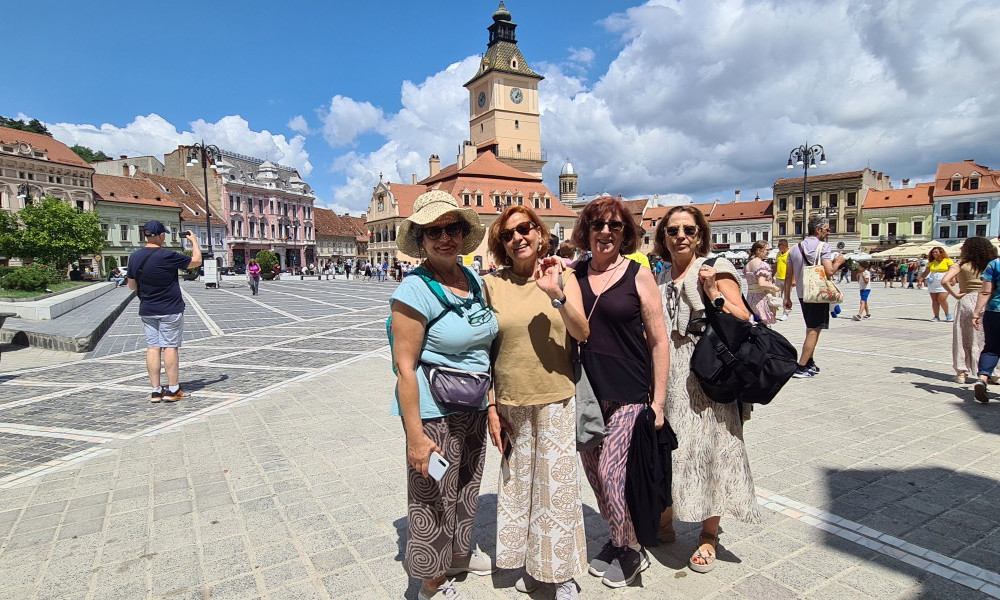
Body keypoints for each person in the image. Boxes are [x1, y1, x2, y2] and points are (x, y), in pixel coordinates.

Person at [389, 190, 498, 600]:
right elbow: (405, 367)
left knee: (467, 485)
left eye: (452, 228)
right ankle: (430, 581)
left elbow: (485, 347)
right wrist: (415, 436)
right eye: (432, 231)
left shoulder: (471, 280)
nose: (444, 237)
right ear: (420, 240)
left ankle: (458, 555)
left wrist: (490, 404)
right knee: (433, 494)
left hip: (471, 405)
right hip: (433, 411)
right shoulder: (414, 290)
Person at [484, 206, 589, 599]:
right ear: (502, 247)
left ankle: (559, 572)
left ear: (540, 234)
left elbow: (583, 332)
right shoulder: (491, 286)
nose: (518, 238)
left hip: (556, 399)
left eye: (525, 229)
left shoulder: (564, 277)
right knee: (517, 487)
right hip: (511, 401)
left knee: (556, 490)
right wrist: (492, 408)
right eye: (508, 236)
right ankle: (525, 561)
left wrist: (556, 293)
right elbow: (485, 353)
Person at [654, 205, 760, 574]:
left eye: (688, 229)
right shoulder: (663, 275)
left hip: (708, 376)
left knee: (713, 450)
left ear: (700, 234)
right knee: (671, 450)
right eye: (672, 230)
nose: (680, 236)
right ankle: (666, 520)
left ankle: (708, 535)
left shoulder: (716, 268)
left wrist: (712, 289)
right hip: (671, 375)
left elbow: (744, 316)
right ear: (663, 236)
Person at [571, 197, 669, 588]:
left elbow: (660, 341)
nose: (605, 232)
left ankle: (632, 550)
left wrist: (658, 401)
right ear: (586, 231)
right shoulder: (575, 274)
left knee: (613, 477)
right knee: (595, 478)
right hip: (589, 396)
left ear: (625, 232)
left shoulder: (637, 274)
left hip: (629, 391)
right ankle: (617, 537)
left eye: (614, 225)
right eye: (597, 225)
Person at [127, 221, 201, 403]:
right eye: (164, 235)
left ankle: (155, 390)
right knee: (169, 346)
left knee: (153, 347)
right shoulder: (167, 255)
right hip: (169, 308)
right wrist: (194, 242)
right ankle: (173, 389)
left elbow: (131, 286)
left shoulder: (134, 256)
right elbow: (196, 262)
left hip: (147, 309)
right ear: (160, 236)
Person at [784, 216, 845, 379]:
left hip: (803, 294)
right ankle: (801, 366)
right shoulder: (823, 246)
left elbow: (788, 276)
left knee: (811, 327)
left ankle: (809, 362)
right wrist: (838, 262)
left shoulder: (795, 248)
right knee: (813, 330)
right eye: (827, 229)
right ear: (818, 230)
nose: (829, 232)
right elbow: (829, 271)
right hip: (818, 293)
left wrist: (787, 297)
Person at [942, 237, 997, 384]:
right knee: (990, 339)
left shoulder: (961, 264)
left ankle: (961, 372)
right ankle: (994, 373)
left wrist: (954, 294)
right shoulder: (992, 264)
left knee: (962, 337)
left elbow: (945, 281)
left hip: (967, 300)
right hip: (988, 301)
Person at [972, 250, 1000, 403]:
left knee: (991, 348)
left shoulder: (994, 264)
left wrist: (976, 313)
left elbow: (985, 291)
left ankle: (982, 379)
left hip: (995, 311)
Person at [744, 240, 780, 325]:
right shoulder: (762, 264)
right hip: (760, 298)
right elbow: (762, 283)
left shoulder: (748, 264)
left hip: (750, 298)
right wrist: (774, 287)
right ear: (758, 250)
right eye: (767, 250)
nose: (769, 252)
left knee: (753, 322)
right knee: (762, 324)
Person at [919, 247, 955, 322]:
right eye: (933, 252)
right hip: (933, 282)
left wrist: (953, 279)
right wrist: (921, 280)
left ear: (941, 252)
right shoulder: (931, 262)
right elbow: (926, 272)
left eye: (936, 252)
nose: (934, 254)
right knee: (934, 300)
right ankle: (936, 316)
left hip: (944, 281)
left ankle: (947, 314)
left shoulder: (947, 260)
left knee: (942, 299)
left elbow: (952, 270)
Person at [774, 239, 791, 321]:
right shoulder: (778, 254)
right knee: (777, 296)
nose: (779, 248)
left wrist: (793, 279)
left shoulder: (790, 253)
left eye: (780, 246)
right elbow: (776, 264)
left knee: (787, 297)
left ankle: (786, 313)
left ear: (784, 246)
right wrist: (772, 275)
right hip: (779, 278)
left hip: (787, 279)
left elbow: (793, 267)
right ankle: (774, 313)